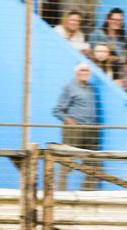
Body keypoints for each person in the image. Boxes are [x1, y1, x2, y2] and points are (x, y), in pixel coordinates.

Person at [52, 62, 98, 191]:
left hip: (91, 130)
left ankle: (86, 194)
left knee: (92, 164)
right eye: (82, 70)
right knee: (67, 163)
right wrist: (68, 120)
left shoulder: (91, 88)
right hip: (74, 130)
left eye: (87, 70)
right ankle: (61, 193)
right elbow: (57, 110)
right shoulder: (69, 87)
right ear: (76, 72)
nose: (85, 73)